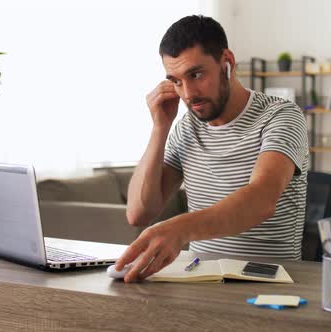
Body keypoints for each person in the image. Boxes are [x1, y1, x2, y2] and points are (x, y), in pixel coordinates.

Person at [115, 15, 308, 282]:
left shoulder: (281, 116)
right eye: (176, 81)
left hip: (269, 280)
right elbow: (139, 212)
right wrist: (160, 128)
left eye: (196, 74)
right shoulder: (186, 128)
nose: (188, 93)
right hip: (200, 278)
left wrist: (179, 229)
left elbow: (261, 200)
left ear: (227, 63)